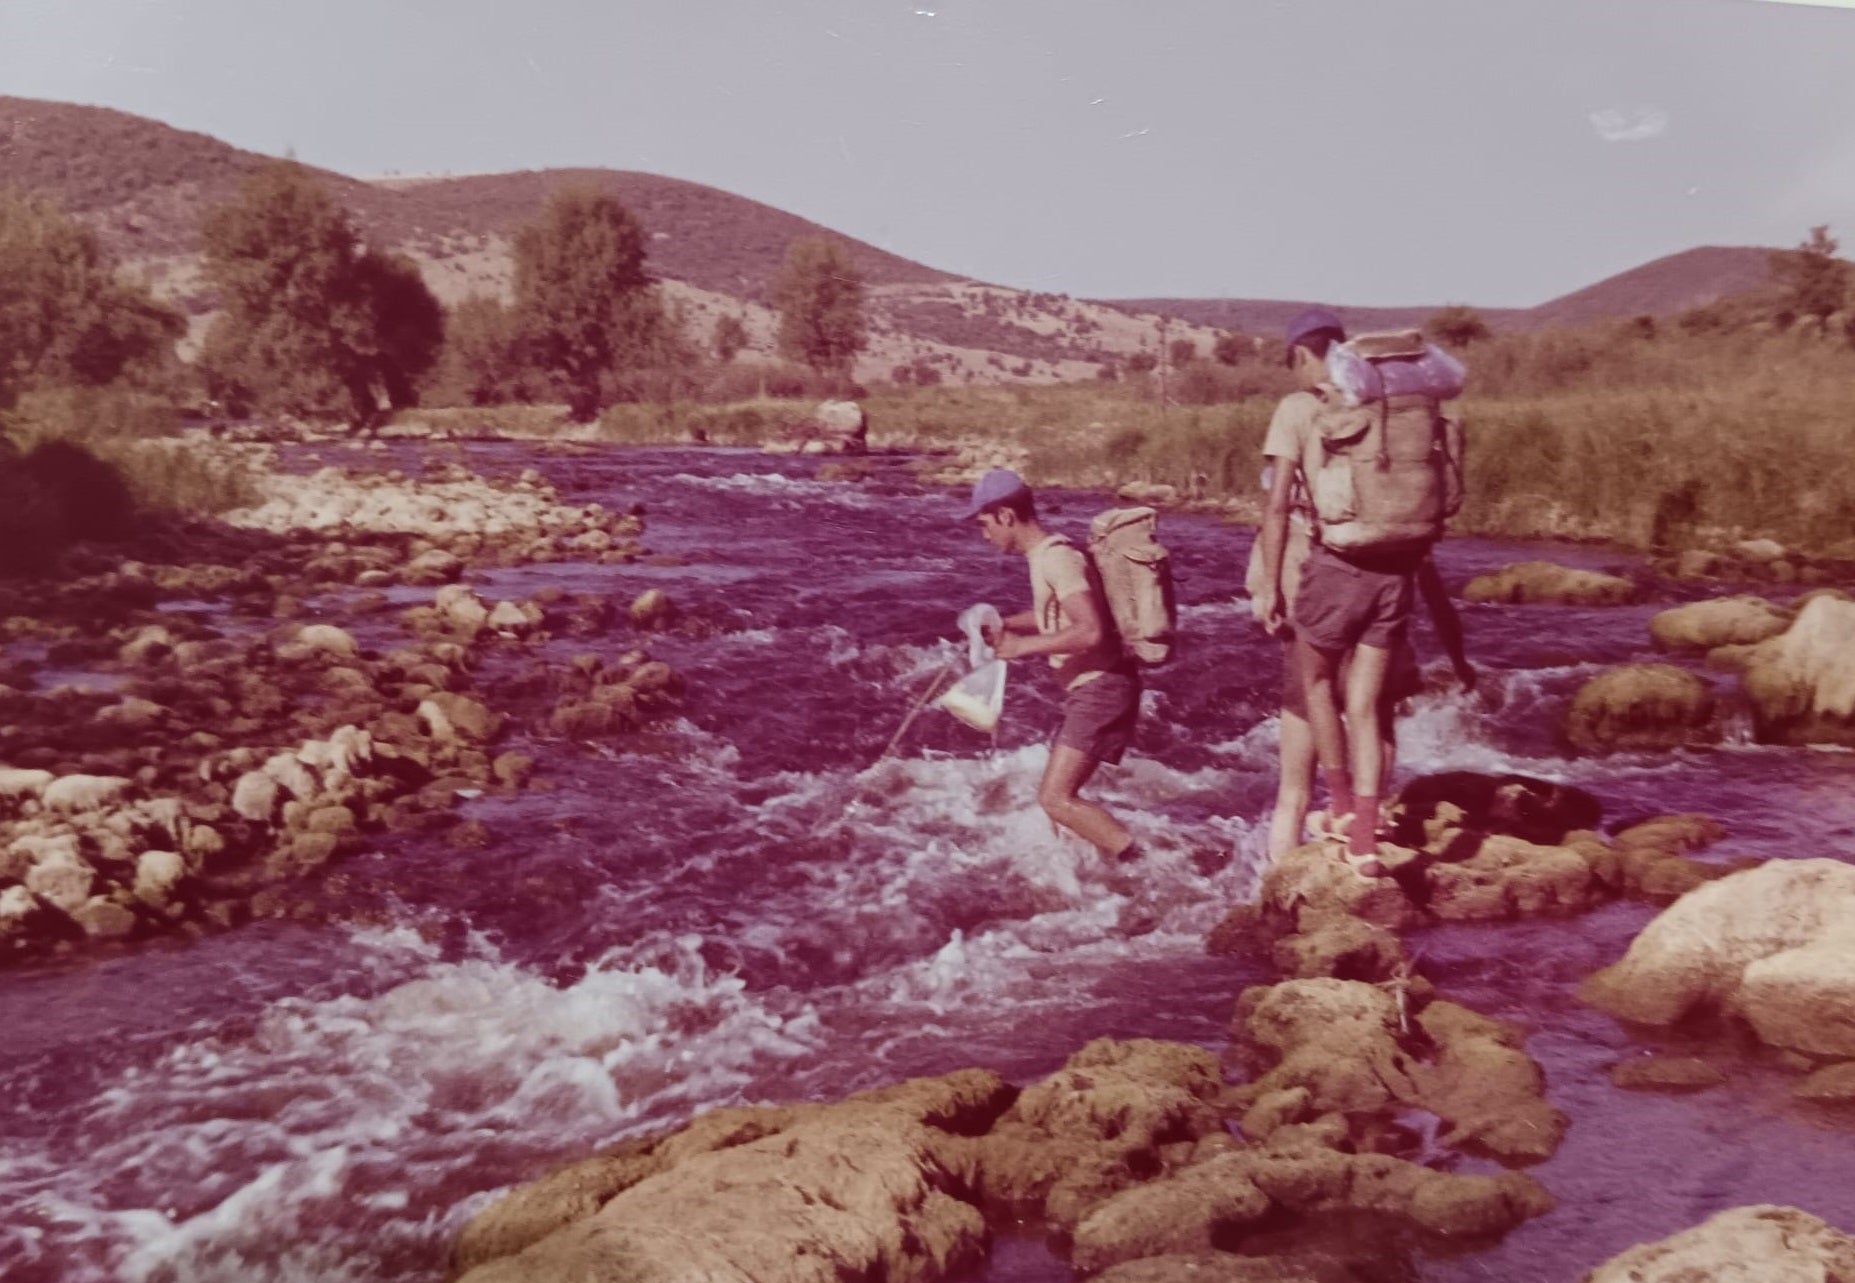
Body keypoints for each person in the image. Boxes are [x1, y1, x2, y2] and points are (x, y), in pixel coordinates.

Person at [1253, 309, 1471, 869]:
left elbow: (1276, 506)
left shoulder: (1300, 408)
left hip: (1332, 570)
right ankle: (1367, 840)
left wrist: (1271, 588)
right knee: (1369, 707)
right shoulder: (1391, 407)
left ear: (1304, 354)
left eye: (1292, 362)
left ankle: (1342, 807)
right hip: (1395, 572)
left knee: (1315, 684)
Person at [963, 469, 1144, 864]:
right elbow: (1058, 616)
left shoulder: (1056, 558)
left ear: (1006, 516)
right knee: (1059, 800)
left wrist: (1022, 646)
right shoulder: (1046, 555)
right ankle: (1101, 871)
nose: (984, 535)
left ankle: (1145, 866)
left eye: (984, 524)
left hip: (1101, 690)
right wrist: (1007, 624)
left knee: (1055, 798)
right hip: (1095, 690)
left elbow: (1091, 629)